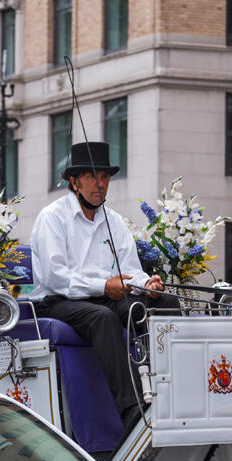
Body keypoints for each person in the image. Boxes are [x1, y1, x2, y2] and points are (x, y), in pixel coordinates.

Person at [26, 141, 179, 430]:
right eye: (93, 177)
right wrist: (102, 286)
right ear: (74, 182)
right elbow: (54, 276)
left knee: (164, 303)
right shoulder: (52, 217)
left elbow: (130, 269)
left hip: (103, 296)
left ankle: (173, 390)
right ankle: (132, 409)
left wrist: (147, 284)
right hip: (57, 301)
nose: (101, 184)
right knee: (103, 318)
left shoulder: (114, 221)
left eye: (105, 177)